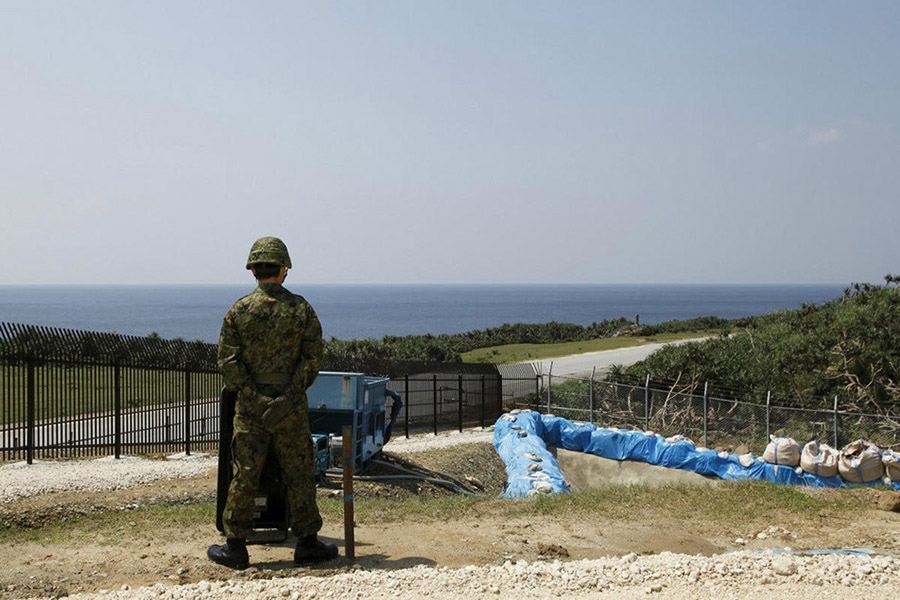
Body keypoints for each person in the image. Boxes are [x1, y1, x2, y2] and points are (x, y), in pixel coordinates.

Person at [208, 236, 338, 569]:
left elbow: (228, 364)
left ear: (253, 269)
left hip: (251, 410)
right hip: (290, 408)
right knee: (300, 472)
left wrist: (254, 397)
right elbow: (312, 360)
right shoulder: (301, 310)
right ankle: (307, 541)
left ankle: (236, 545)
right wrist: (287, 397)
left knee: (245, 472)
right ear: (283, 270)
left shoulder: (237, 311)